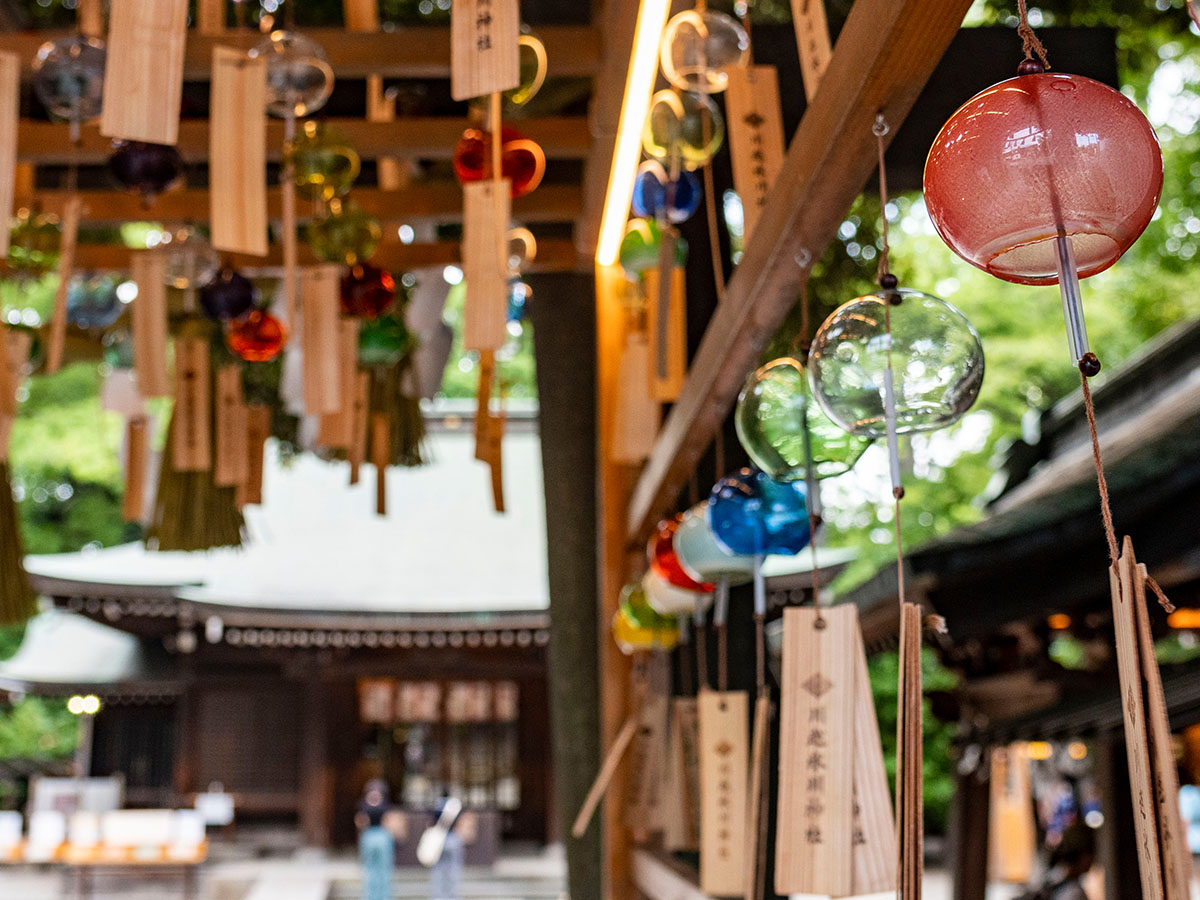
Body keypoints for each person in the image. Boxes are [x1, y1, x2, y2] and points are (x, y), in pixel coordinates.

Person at [1016, 824, 1094, 900]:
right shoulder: (1074, 892)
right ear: (1083, 857)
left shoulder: (1053, 876)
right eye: (1091, 855)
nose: (1092, 861)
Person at [355, 780, 395, 900]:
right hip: (382, 836)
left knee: (371, 869)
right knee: (383, 869)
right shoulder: (385, 803)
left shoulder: (363, 804)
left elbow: (361, 822)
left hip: (369, 836)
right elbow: (389, 821)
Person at [427, 795, 464, 900]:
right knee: (446, 881)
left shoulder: (447, 805)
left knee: (444, 881)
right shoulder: (451, 805)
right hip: (444, 839)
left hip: (444, 839)